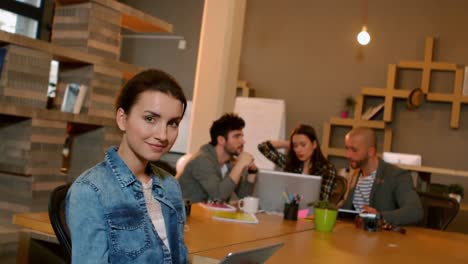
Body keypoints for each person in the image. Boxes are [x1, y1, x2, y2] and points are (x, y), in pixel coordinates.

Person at [66, 69, 189, 263]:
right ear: (122, 119)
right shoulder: (90, 191)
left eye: (173, 123)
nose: (163, 135)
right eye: (150, 119)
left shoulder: (171, 186)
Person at [340, 127, 423, 226]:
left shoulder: (396, 175)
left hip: (383, 238)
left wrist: (379, 217)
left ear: (371, 152)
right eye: (347, 148)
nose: (348, 155)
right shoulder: (354, 174)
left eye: (354, 150)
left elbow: (415, 211)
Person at [178, 113, 257, 203]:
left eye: (242, 136)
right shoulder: (201, 160)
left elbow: (244, 198)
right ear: (221, 140)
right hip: (183, 214)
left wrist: (252, 173)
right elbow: (218, 196)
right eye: (236, 136)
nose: (242, 141)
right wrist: (240, 165)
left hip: (206, 214)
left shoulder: (230, 164)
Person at [258, 124, 336, 201]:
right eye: (295, 146)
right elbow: (263, 147)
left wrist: (299, 211)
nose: (298, 150)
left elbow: (322, 202)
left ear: (314, 144)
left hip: (310, 213)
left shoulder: (327, 169)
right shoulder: (290, 164)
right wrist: (287, 143)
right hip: (288, 209)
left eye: (303, 145)